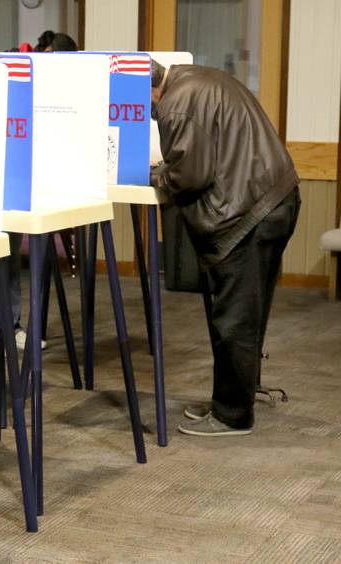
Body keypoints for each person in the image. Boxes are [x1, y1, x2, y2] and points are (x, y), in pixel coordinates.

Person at [149, 59, 300, 437]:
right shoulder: (197, 77)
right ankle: (234, 397)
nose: (147, 117)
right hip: (272, 197)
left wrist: (157, 174)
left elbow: (191, 175)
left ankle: (233, 414)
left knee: (233, 316)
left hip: (246, 212)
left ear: (145, 92)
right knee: (248, 311)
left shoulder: (175, 103)